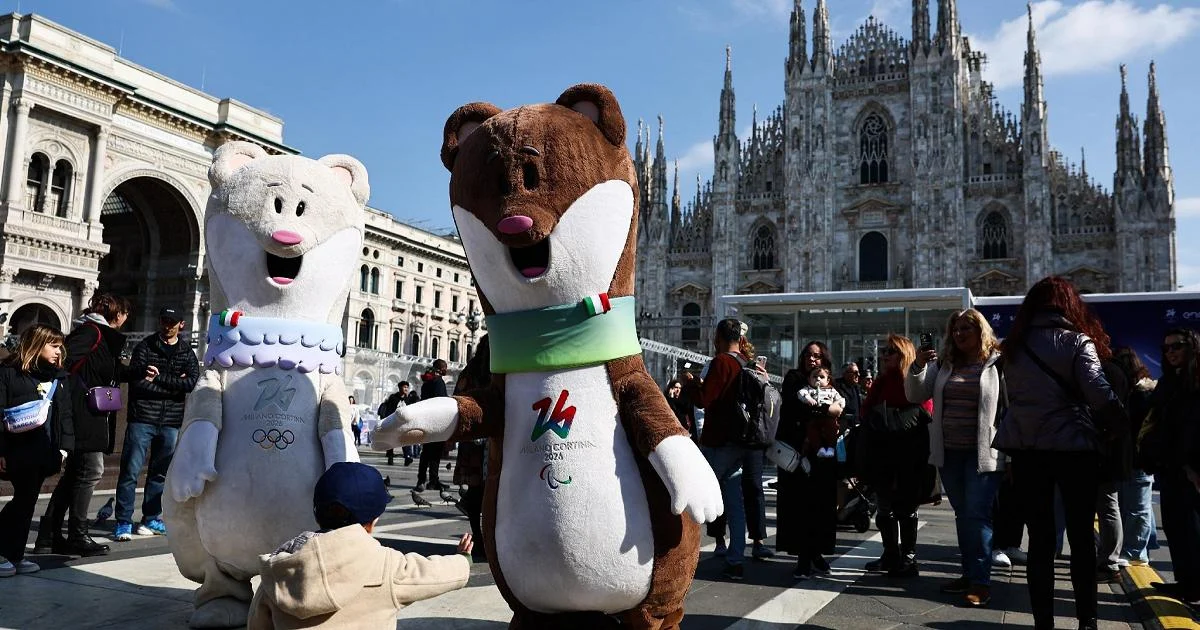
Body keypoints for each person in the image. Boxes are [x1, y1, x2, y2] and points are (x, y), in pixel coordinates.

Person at [991, 276, 1121, 630]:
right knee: (1081, 538)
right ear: (1069, 304)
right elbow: (1099, 393)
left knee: (1040, 540)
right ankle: (1087, 621)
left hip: (1028, 450)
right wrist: (1118, 424)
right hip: (1074, 449)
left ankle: (1043, 624)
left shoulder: (1013, 347)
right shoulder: (1076, 341)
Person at [247, 461, 472, 629]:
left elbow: (257, 624)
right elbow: (434, 574)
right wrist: (463, 559)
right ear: (372, 523)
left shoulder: (279, 568)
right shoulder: (386, 566)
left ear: (317, 513)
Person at [906, 309, 1005, 606]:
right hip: (950, 452)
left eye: (966, 328)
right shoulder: (945, 363)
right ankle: (969, 573)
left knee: (977, 514)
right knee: (963, 515)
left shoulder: (997, 362)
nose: (959, 334)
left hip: (983, 454)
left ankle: (981, 582)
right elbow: (915, 394)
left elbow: (1009, 407)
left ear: (980, 331)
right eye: (955, 329)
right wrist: (918, 365)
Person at [34, 293, 131, 557]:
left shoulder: (100, 335)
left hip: (89, 412)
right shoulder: (91, 332)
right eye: (125, 314)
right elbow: (63, 362)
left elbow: (105, 370)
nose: (125, 319)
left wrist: (136, 371)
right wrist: (72, 394)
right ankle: (78, 534)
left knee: (75, 474)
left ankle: (48, 535)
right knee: (91, 471)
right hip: (82, 412)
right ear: (118, 314)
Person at [113, 307, 199, 542]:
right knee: (130, 471)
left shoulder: (186, 352)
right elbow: (138, 383)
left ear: (181, 324)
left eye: (172, 321)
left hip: (170, 421)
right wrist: (174, 385)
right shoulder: (145, 346)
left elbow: (191, 383)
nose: (167, 325)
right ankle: (123, 520)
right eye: (164, 320)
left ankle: (150, 518)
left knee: (160, 473)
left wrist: (158, 378)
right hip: (142, 417)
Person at [696, 318, 768, 580]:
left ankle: (679, 554)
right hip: (741, 443)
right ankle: (736, 559)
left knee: (696, 495)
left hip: (719, 442)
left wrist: (691, 383)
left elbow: (703, 399)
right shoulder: (747, 363)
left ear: (719, 337)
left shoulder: (722, 362)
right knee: (735, 504)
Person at [0, 325, 73, 577]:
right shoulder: (9, 373)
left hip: (46, 448)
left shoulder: (58, 376)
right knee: (23, 500)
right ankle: (6, 552)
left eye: (60, 346)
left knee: (28, 501)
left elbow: (65, 415)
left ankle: (15, 555)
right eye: (53, 345)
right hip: (18, 448)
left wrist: (64, 449)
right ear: (36, 344)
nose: (58, 351)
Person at [861, 334, 933, 578]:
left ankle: (909, 558)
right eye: (884, 351)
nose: (884, 355)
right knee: (884, 507)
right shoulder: (881, 382)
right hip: (883, 453)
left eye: (890, 351)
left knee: (906, 507)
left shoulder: (914, 380)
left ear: (903, 354)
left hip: (909, 453)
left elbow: (926, 411)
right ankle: (891, 554)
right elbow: (866, 410)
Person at [1140, 328, 1200, 603]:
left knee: (1192, 529)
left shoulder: (1195, 381)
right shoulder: (1169, 381)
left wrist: (1192, 465)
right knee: (1176, 528)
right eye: (1166, 348)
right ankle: (1186, 583)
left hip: (1192, 468)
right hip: (1170, 466)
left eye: (1177, 346)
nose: (1170, 352)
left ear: (1192, 347)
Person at [778, 341, 840, 579]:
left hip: (823, 452)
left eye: (817, 356)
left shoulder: (829, 380)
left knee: (822, 505)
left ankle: (816, 553)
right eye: (808, 355)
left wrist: (832, 411)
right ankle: (804, 557)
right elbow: (796, 407)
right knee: (801, 505)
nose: (812, 359)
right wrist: (826, 410)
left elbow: (840, 406)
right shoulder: (794, 378)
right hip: (799, 450)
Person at [1111, 347, 1155, 567]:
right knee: (1137, 507)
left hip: (1135, 459)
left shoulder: (1138, 396)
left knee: (1136, 508)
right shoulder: (1145, 393)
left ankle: (1136, 552)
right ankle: (1141, 547)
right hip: (1138, 459)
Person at [453, 335, 490, 562]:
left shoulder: (468, 373)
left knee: (476, 490)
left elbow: (456, 401)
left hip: (470, 439)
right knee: (489, 490)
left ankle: (479, 538)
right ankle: (488, 539)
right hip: (488, 439)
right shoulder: (494, 373)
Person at [415, 360, 449, 493]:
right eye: (445, 367)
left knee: (427, 452)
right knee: (435, 453)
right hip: (437, 421)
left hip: (427, 420)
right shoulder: (438, 381)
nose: (446, 369)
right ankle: (432, 481)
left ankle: (423, 480)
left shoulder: (427, 381)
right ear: (440, 368)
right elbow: (441, 402)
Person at [798, 366, 845, 461]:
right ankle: (819, 449)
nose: (818, 379)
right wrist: (808, 399)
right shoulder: (808, 389)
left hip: (829, 417)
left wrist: (840, 406)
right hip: (814, 416)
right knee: (812, 431)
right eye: (815, 377)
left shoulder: (831, 390)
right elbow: (800, 393)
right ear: (809, 379)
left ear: (828, 380)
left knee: (833, 430)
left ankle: (831, 448)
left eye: (821, 377)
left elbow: (841, 399)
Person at [377, 381, 418, 466]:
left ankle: (408, 457)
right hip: (394, 422)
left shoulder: (408, 399)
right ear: (399, 388)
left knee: (405, 440)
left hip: (404, 424)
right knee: (391, 440)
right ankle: (390, 456)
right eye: (404, 387)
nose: (406, 389)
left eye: (407, 387)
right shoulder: (393, 398)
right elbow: (390, 410)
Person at [834, 362, 864, 430]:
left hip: (857, 426)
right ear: (845, 374)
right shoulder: (836, 386)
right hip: (842, 427)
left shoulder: (857, 388)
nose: (858, 375)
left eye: (858, 372)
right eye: (855, 372)